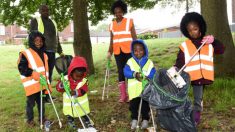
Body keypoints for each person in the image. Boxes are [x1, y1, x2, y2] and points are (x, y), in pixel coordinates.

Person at [175, 12, 225, 125]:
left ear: (200, 28)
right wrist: (176, 68)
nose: (193, 32)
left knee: (198, 98)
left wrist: (214, 41)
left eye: (195, 29)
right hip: (187, 77)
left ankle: (196, 116)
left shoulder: (208, 43)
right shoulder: (185, 45)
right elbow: (180, 61)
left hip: (201, 77)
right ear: (186, 31)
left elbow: (221, 50)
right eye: (190, 30)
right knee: (183, 97)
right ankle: (182, 113)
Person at [30, 4, 64, 102]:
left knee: (49, 74)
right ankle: (42, 96)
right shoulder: (36, 21)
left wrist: (60, 51)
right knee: (42, 74)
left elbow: (56, 37)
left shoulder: (53, 22)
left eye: (47, 10)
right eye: (43, 10)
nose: (46, 12)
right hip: (42, 52)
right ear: (40, 11)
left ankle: (47, 95)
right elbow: (32, 36)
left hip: (52, 51)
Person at [17, 31, 51, 126]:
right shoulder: (25, 53)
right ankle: (29, 120)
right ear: (31, 41)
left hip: (41, 84)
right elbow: (22, 68)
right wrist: (33, 73)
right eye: (36, 40)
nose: (39, 43)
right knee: (30, 104)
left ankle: (42, 119)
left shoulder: (44, 55)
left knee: (41, 103)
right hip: (32, 84)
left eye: (40, 41)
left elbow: (45, 70)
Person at [107, 0, 137, 103]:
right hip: (117, 52)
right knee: (120, 72)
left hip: (129, 51)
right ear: (114, 13)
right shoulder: (111, 25)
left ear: (123, 11)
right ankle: (123, 95)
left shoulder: (129, 21)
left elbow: (134, 38)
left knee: (129, 71)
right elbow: (112, 40)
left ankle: (131, 93)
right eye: (116, 12)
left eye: (119, 12)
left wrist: (137, 50)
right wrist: (109, 52)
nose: (118, 14)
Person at [124, 39, 156, 130]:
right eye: (136, 50)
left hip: (145, 89)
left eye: (141, 50)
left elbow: (153, 72)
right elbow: (125, 72)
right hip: (134, 91)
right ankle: (134, 119)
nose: (138, 52)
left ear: (145, 50)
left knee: (145, 105)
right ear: (133, 51)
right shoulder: (130, 61)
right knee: (133, 105)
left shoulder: (149, 62)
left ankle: (145, 119)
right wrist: (134, 74)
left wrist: (149, 77)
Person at [56, 56, 93, 129]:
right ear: (71, 72)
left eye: (81, 76)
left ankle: (87, 120)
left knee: (84, 113)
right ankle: (71, 121)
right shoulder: (65, 79)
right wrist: (61, 86)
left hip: (81, 105)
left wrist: (76, 92)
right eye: (77, 76)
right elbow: (58, 88)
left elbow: (84, 90)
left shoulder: (84, 81)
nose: (79, 78)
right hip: (69, 105)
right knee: (69, 114)